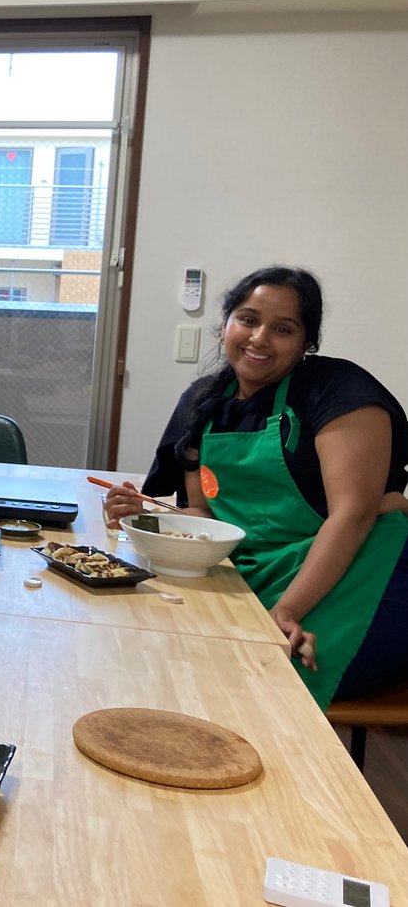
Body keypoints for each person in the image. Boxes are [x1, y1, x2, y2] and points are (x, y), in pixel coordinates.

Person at [105, 266, 408, 709]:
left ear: (307, 343)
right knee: (169, 654)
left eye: (283, 329)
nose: (260, 338)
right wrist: (145, 517)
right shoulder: (202, 402)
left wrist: (287, 611)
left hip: (361, 572)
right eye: (248, 319)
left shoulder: (340, 392)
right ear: (226, 323)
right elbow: (204, 516)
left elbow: (354, 516)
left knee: (258, 679)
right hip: (257, 569)